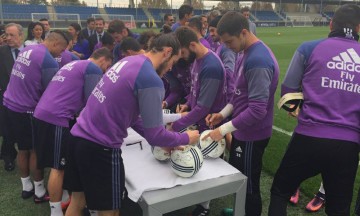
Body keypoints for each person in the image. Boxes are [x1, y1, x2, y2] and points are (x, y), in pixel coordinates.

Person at [63, 33, 199, 216]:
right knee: (110, 212)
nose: (170, 68)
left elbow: (134, 118)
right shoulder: (151, 79)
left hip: (77, 136)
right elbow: (155, 135)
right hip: (100, 148)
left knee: (77, 203)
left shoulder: (129, 62)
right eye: (173, 62)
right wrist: (185, 137)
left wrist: (168, 141)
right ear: (167, 52)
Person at [267, 4, 360, 216]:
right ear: (358, 28)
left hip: (309, 136)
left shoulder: (309, 48)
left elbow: (288, 90)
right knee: (339, 209)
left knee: (281, 191)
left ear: (330, 24)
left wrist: (297, 108)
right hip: (348, 145)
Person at [203, 11, 279, 216]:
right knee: (240, 178)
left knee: (249, 184)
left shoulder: (258, 60)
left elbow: (256, 110)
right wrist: (223, 113)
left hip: (252, 135)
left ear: (244, 32)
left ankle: (248, 212)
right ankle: (240, 210)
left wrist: (223, 129)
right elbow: (240, 95)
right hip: (242, 131)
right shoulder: (245, 52)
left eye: (229, 42)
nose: (227, 47)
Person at [34, 47, 113, 216]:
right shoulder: (92, 68)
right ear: (104, 60)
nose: (106, 71)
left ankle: (64, 198)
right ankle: (55, 211)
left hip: (44, 112)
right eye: (108, 66)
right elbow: (93, 102)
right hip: (56, 117)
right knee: (58, 166)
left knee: (59, 162)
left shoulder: (75, 64)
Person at [3, 30, 69, 203]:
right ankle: (39, 190)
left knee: (22, 148)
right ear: (55, 43)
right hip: (27, 110)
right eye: (62, 50)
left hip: (10, 105)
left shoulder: (26, 49)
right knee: (35, 150)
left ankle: (26, 186)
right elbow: (50, 93)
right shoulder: (48, 61)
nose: (61, 54)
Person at [0, 23, 24, 171]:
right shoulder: (1, 52)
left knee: (23, 130)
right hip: (5, 99)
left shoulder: (29, 52)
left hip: (26, 99)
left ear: (21, 35)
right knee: (7, 129)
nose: (8, 38)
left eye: (11, 35)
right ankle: (8, 157)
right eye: (6, 35)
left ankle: (25, 153)